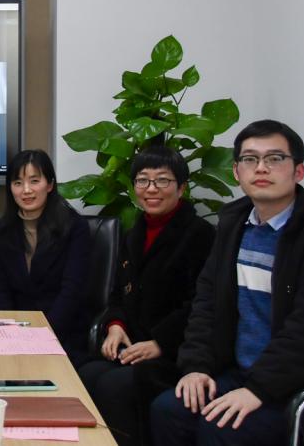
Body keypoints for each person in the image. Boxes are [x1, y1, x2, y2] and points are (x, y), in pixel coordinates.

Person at [150, 120, 304, 446]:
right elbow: (207, 303)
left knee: (221, 429)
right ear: (237, 172)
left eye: (275, 158)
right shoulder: (234, 225)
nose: (261, 168)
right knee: (169, 411)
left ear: (299, 171)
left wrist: (258, 390)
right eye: (250, 159)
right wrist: (196, 367)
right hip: (241, 373)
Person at [78, 146, 215, 446]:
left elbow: (201, 305)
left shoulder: (200, 235)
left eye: (162, 180)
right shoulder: (134, 233)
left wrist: (160, 343)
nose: (151, 189)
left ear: (181, 187)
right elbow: (118, 292)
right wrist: (116, 326)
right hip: (134, 345)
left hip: (175, 353)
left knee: (115, 386)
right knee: (86, 374)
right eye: (142, 180)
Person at [0, 149, 91, 363]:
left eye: (34, 181)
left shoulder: (74, 227)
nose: (26, 190)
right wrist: (9, 332)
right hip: (14, 336)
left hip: (62, 334)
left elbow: (71, 291)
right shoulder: (2, 230)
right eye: (18, 183)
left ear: (50, 184)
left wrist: (42, 336)